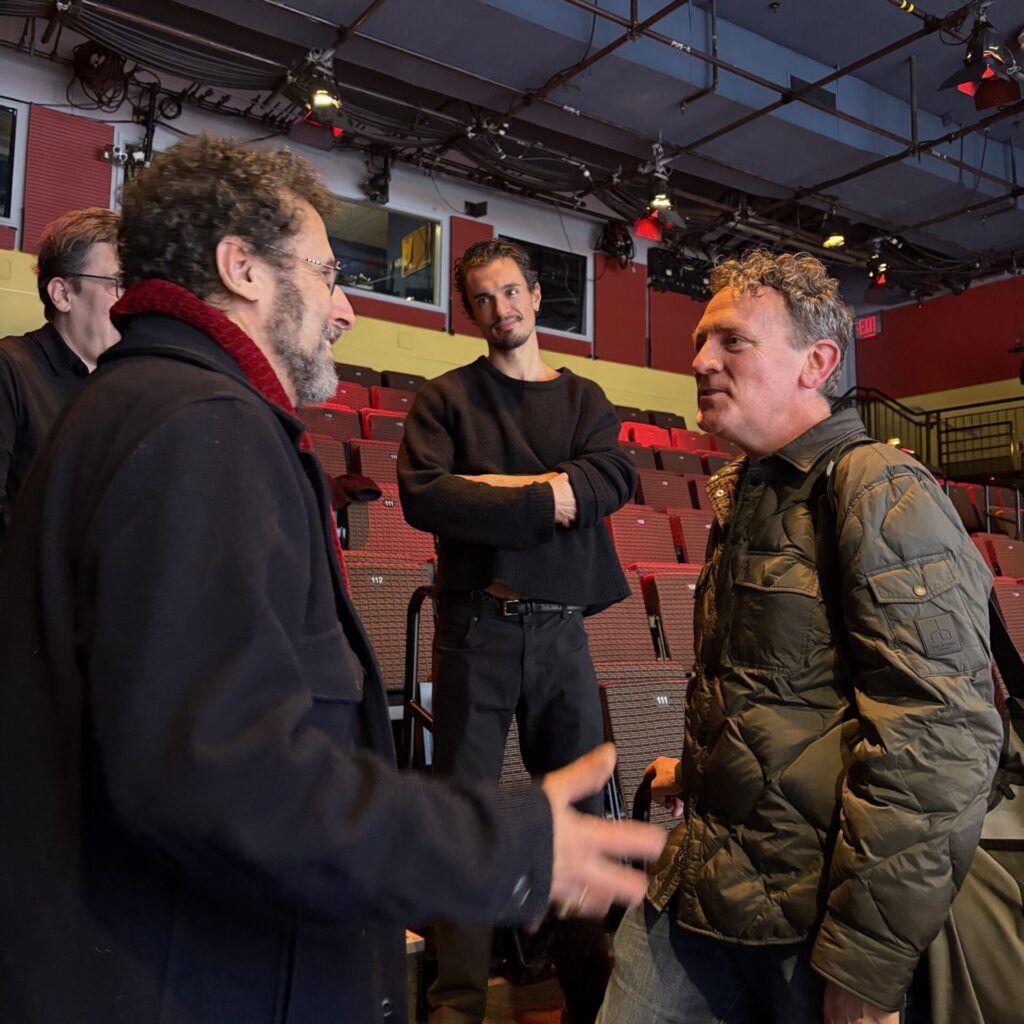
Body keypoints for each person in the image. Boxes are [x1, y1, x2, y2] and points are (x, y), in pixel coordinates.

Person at [0, 135, 665, 1024]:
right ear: (242, 269)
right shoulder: (200, 430)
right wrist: (492, 845)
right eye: (323, 273)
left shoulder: (143, 408)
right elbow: (225, 774)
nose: (344, 310)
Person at [596, 249, 1004, 1024]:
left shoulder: (877, 488)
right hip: (701, 884)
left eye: (732, 342)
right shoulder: (751, 489)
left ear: (818, 362)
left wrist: (868, 962)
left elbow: (937, 737)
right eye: (697, 343)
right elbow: (790, 696)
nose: (700, 361)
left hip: (811, 921)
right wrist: (701, 767)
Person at [398, 238, 637, 1024]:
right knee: (462, 813)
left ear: (535, 297)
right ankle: (457, 1005)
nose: (502, 308)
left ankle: (588, 998)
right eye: (484, 299)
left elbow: (609, 481)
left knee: (579, 817)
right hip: (477, 629)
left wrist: (492, 490)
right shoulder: (444, 398)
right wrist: (546, 497)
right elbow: (428, 497)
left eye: (511, 292)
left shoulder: (585, 398)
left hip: (563, 636)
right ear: (471, 313)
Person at [0, 206, 121, 540]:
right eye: (118, 284)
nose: (133, 301)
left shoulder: (123, 385)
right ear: (63, 294)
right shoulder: (9, 369)